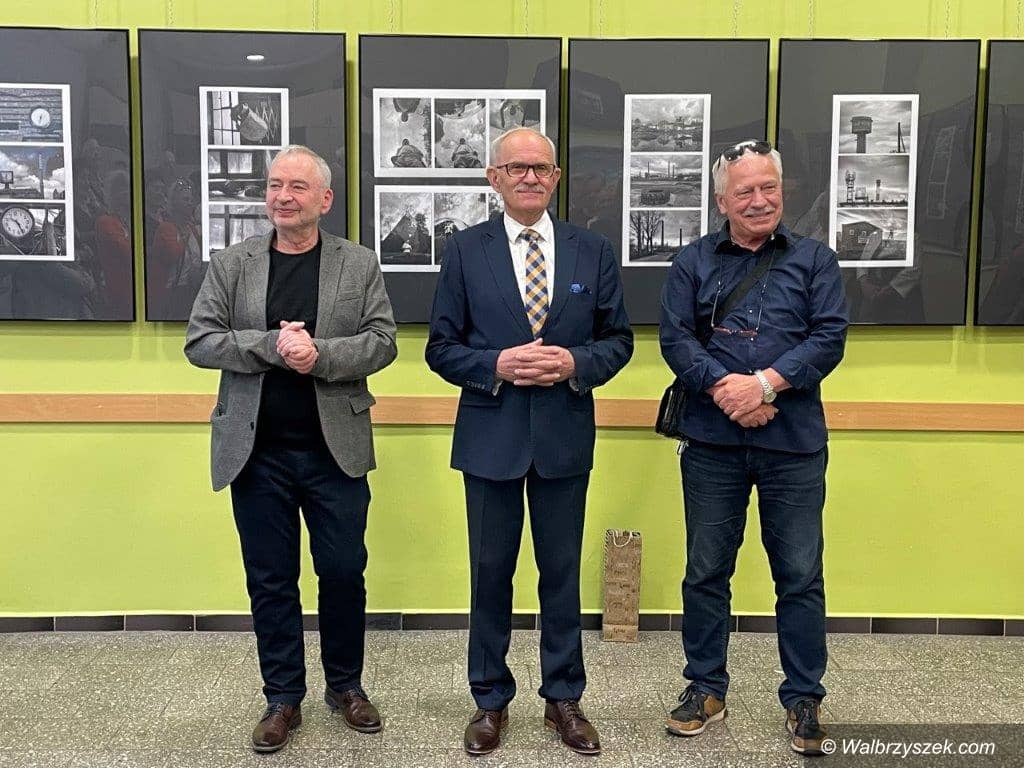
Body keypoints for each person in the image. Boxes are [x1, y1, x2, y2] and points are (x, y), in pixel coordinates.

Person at [425, 127, 633, 757]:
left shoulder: (592, 250)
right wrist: (495, 364)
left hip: (564, 435)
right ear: (494, 178)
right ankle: (489, 699)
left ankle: (563, 697)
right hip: (491, 434)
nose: (529, 177)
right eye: (516, 168)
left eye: (541, 168)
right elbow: (441, 348)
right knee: (490, 572)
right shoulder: (466, 250)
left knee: (561, 572)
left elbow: (618, 341)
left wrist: (575, 364)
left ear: (556, 177)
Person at [184, 144, 397, 754]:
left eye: (297, 187)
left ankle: (346, 686)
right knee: (271, 579)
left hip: (335, 452)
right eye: (275, 185)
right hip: (256, 453)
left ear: (324, 199)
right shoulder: (233, 263)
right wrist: (272, 347)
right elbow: (200, 342)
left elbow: (383, 342)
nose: (282, 196)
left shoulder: (358, 264)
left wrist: (319, 354)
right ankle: (282, 698)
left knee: (343, 572)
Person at [659, 140, 848, 756]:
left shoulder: (816, 261)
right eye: (745, 191)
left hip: (793, 445)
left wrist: (764, 384)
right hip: (712, 443)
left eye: (769, 188)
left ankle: (804, 696)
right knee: (705, 571)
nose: (760, 200)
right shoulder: (691, 261)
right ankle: (705, 688)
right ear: (722, 201)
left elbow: (829, 338)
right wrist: (727, 389)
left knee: (800, 574)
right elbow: (676, 338)